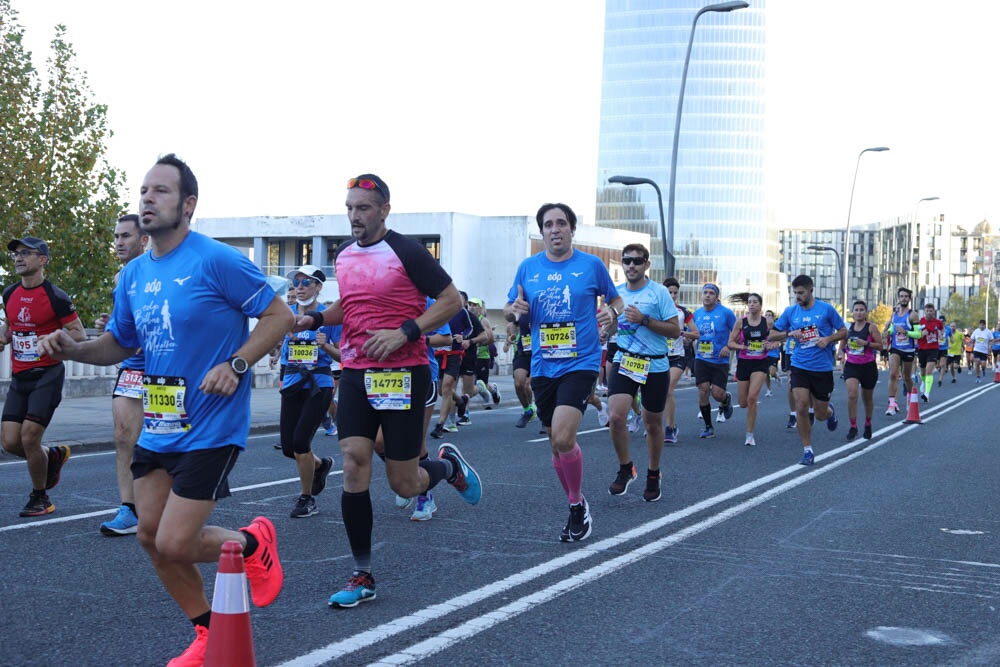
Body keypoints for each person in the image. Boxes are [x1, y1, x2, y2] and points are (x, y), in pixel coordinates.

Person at [38, 154, 292, 665]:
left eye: (161, 191)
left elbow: (278, 315)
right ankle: (205, 632)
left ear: (188, 204)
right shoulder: (132, 274)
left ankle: (252, 542)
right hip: (158, 425)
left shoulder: (215, 259)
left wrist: (237, 364)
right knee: (151, 538)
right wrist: (74, 349)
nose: (147, 200)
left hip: (212, 423)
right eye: (144, 191)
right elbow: (119, 344)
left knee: (176, 542)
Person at [294, 174, 481, 609]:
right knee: (355, 463)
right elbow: (351, 304)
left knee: (404, 480)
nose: (354, 216)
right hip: (357, 369)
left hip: (404, 371)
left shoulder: (408, 250)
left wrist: (405, 332)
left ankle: (446, 469)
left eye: (362, 208)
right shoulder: (343, 256)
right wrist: (317, 320)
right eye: (349, 208)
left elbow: (451, 301)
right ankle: (363, 573)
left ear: (383, 210)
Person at [505, 202, 621, 542]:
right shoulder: (528, 268)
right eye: (548, 225)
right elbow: (511, 309)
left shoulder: (591, 265)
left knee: (562, 437)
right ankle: (577, 501)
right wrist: (515, 311)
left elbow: (616, 302)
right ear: (542, 232)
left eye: (561, 223)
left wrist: (611, 315)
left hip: (581, 361)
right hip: (543, 364)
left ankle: (575, 505)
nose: (555, 229)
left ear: (572, 229)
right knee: (555, 446)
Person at [0, 236, 87, 517]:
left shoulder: (56, 297)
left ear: (42, 260)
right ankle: (53, 456)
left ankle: (40, 497)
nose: (19, 258)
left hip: (47, 374)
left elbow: (79, 334)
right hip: (20, 377)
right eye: (16, 254)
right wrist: (3, 337)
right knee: (10, 442)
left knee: (29, 437)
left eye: (26, 253)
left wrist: (53, 337)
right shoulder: (9, 293)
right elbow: (12, 327)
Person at [604, 245, 679, 502]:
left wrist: (645, 320)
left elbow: (674, 330)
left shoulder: (658, 293)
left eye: (637, 261)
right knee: (615, 417)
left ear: (646, 264)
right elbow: (614, 327)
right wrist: (607, 330)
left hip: (655, 364)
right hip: (626, 361)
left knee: (652, 424)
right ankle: (626, 469)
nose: (631, 266)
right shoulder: (617, 295)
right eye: (627, 261)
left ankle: (653, 473)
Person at [95, 215, 149, 535]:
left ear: (144, 240)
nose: (118, 242)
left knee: (162, 441)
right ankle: (128, 510)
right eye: (116, 236)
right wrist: (109, 327)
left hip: (163, 370)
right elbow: (123, 323)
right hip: (131, 367)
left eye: (125, 236)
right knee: (122, 435)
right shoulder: (120, 277)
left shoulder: (161, 271)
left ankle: (171, 502)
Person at [278, 265, 337, 518]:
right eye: (297, 283)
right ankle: (321, 465)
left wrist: (327, 347)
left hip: (319, 384)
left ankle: (306, 498)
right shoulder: (285, 314)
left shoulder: (330, 316)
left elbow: (344, 354)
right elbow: (277, 347)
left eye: (306, 283)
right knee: (289, 448)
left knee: (301, 442)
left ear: (318, 287)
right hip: (292, 381)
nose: (300, 288)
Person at [769, 274, 847, 465]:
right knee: (801, 405)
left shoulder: (826, 309)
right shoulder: (791, 312)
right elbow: (771, 335)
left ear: (811, 291)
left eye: (801, 292)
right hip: (799, 366)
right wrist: (789, 333)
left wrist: (828, 339)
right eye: (795, 292)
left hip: (822, 368)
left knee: (820, 413)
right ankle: (807, 450)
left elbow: (844, 331)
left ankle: (829, 413)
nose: (797, 296)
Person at [726, 293, 775, 447]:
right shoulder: (741, 322)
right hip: (744, 363)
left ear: (760, 305)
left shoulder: (767, 322)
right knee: (743, 403)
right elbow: (730, 343)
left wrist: (772, 345)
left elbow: (776, 340)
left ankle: (749, 435)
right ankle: (728, 400)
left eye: (755, 302)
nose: (752, 304)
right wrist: (742, 347)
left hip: (760, 364)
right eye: (750, 302)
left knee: (752, 398)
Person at [691, 283, 735, 439]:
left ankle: (725, 399)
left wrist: (728, 347)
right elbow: (693, 334)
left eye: (711, 293)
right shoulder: (696, 314)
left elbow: (737, 332)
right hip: (701, 358)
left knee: (717, 394)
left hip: (720, 359)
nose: (707, 295)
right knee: (702, 390)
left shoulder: (726, 313)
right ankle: (708, 427)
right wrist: (687, 340)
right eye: (705, 292)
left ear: (717, 297)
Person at [836, 300, 883, 440]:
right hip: (851, 366)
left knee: (867, 397)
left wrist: (866, 343)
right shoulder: (848, 327)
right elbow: (843, 342)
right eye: (856, 310)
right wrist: (840, 352)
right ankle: (853, 426)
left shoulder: (871, 327)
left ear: (866, 312)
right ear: (853, 312)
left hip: (868, 366)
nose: (858, 312)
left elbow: (880, 346)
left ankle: (868, 424)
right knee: (852, 395)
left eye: (861, 310)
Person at [662, 277, 695, 444]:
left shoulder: (683, 312)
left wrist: (683, 334)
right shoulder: (655, 310)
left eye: (675, 293)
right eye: (669, 292)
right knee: (654, 392)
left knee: (668, 390)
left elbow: (695, 333)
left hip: (677, 356)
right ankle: (652, 423)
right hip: (658, 356)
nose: (673, 295)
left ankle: (670, 427)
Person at [884, 287, 920, 415]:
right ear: (898, 298)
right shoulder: (894, 315)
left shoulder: (913, 315)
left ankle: (910, 399)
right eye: (901, 296)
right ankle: (892, 404)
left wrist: (906, 332)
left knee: (906, 377)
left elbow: (918, 334)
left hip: (908, 349)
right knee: (893, 374)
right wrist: (888, 331)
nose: (903, 298)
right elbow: (894, 330)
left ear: (909, 299)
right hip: (895, 348)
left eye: (906, 296)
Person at [469, 297, 502, 406]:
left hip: (483, 356)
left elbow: (491, 338)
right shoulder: (468, 318)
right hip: (471, 356)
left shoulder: (483, 320)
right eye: (470, 305)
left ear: (480, 308)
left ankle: (493, 389)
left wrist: (478, 344)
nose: (472, 307)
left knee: (483, 383)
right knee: (471, 383)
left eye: (474, 305)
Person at [508, 313, 538, 427]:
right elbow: (514, 324)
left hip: (541, 352)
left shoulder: (543, 308)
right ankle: (527, 410)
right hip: (523, 351)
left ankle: (546, 418)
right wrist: (513, 335)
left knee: (535, 385)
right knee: (519, 384)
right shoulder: (522, 310)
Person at [915, 303, 943, 402]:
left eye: (931, 311)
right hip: (922, 348)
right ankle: (923, 382)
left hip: (933, 348)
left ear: (933, 312)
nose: (929, 313)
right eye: (927, 311)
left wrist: (941, 335)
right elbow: (916, 334)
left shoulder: (938, 322)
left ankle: (926, 394)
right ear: (925, 311)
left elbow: (941, 330)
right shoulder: (920, 321)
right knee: (922, 371)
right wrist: (921, 334)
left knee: (928, 371)